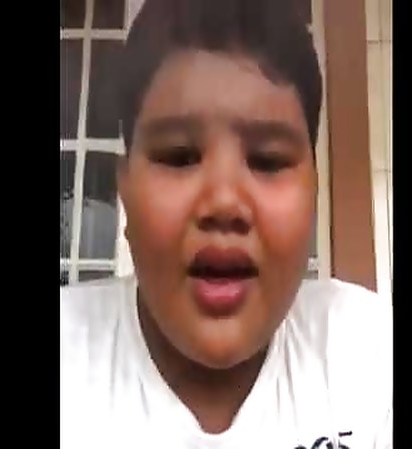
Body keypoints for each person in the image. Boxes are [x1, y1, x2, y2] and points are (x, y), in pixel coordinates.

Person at [60, 0, 392, 447]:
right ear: (125, 191)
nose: (223, 202)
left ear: (313, 190)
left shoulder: (370, 360)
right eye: (179, 156)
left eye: (268, 160)